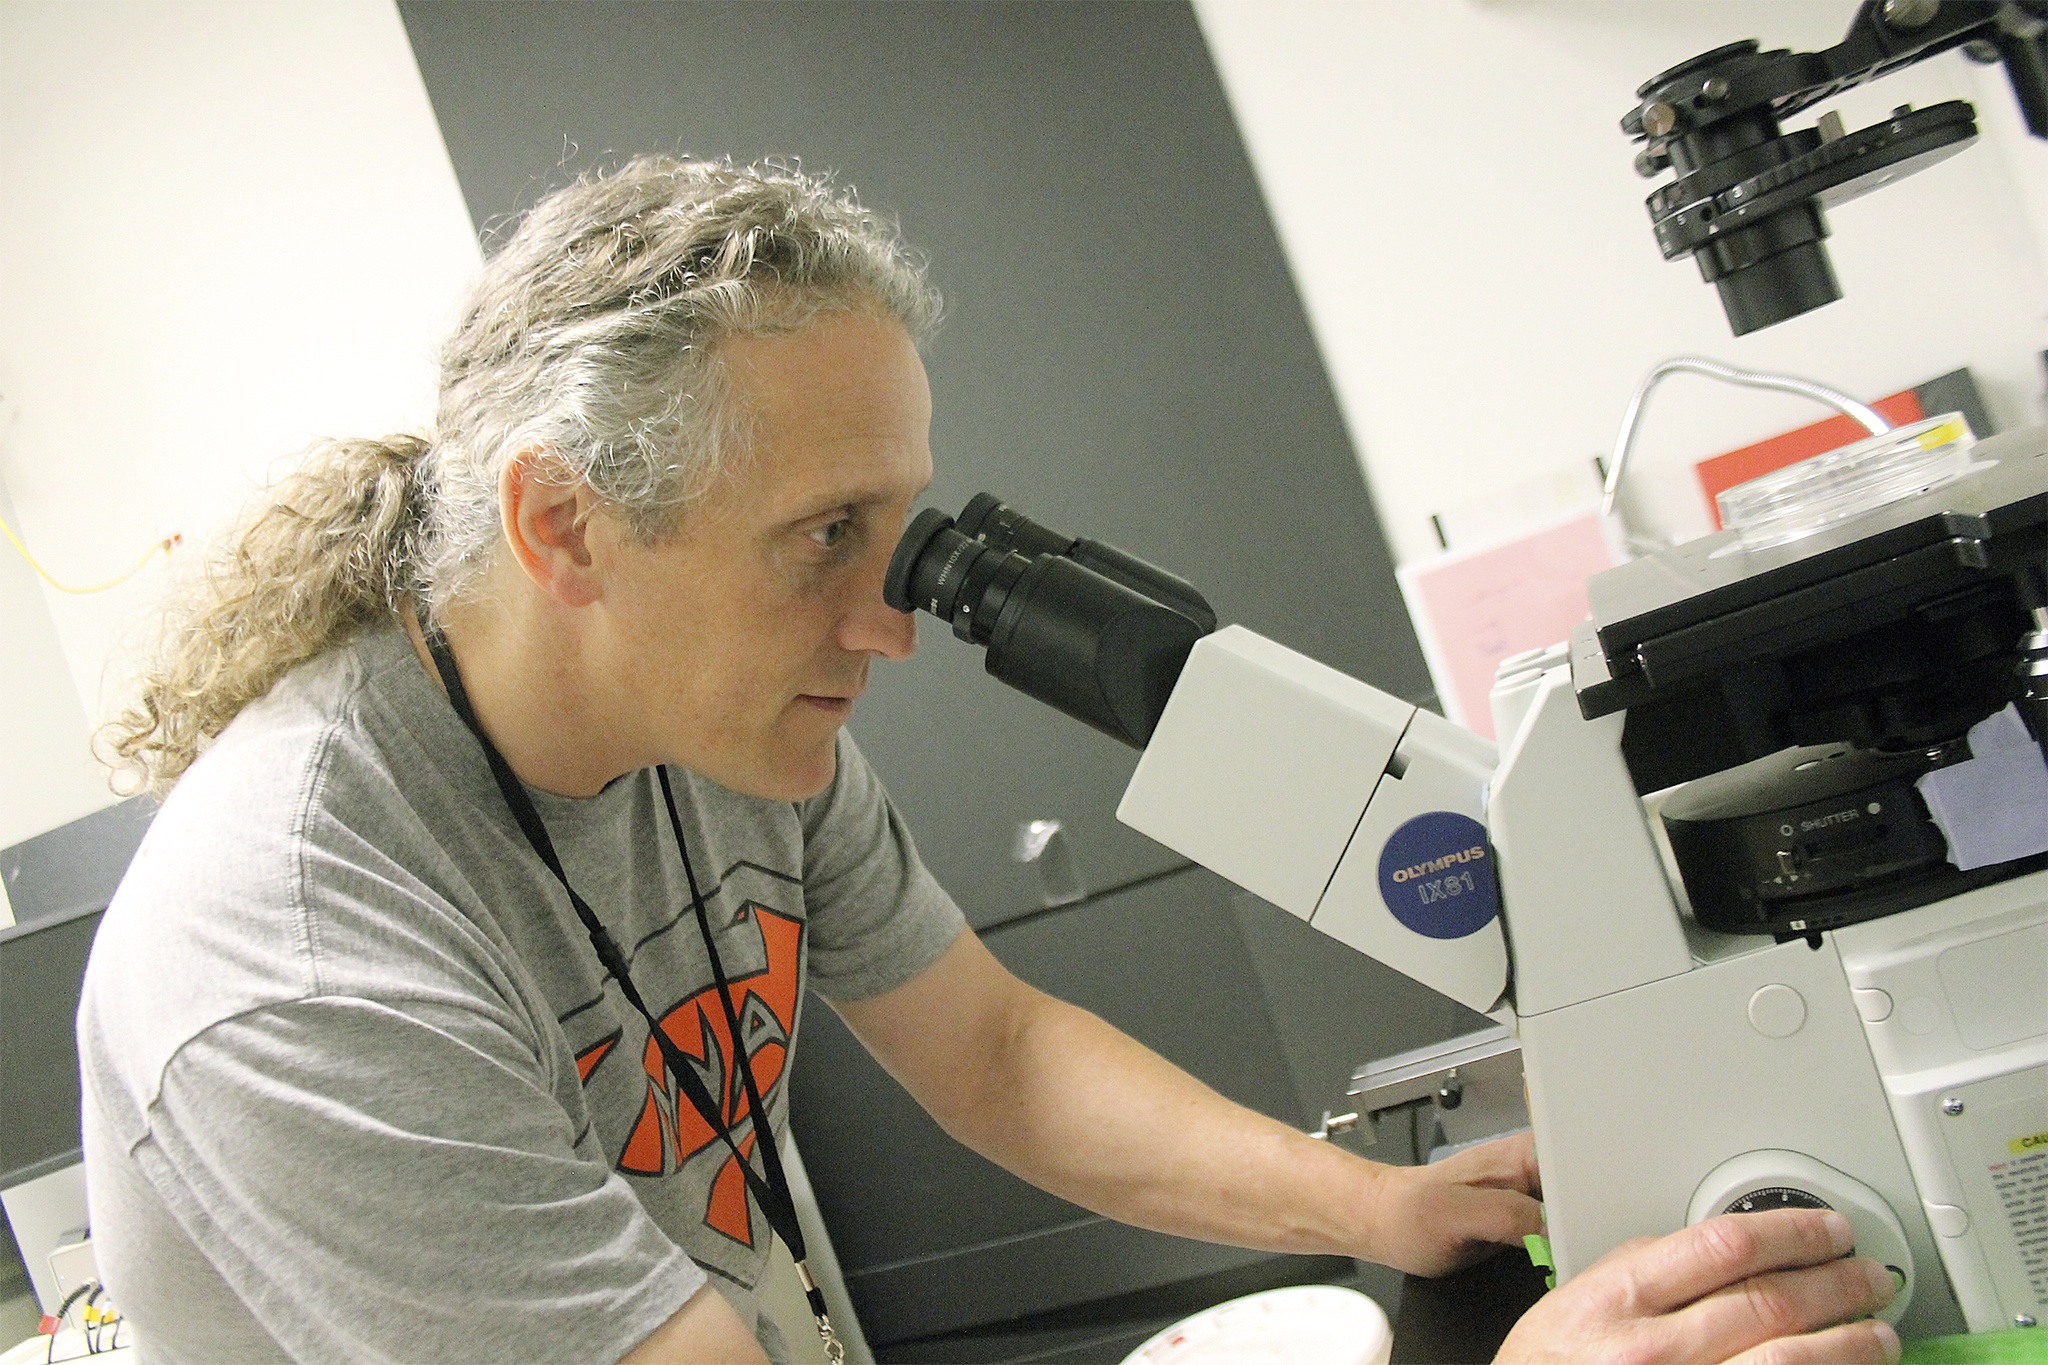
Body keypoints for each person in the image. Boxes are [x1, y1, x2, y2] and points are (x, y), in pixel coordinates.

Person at [79, 157, 1899, 1365]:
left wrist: (1382, 1205)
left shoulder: (720, 719)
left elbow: (1000, 1052)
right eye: (823, 531)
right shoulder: (298, 966)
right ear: (565, 525)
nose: (891, 612)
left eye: (902, 526)